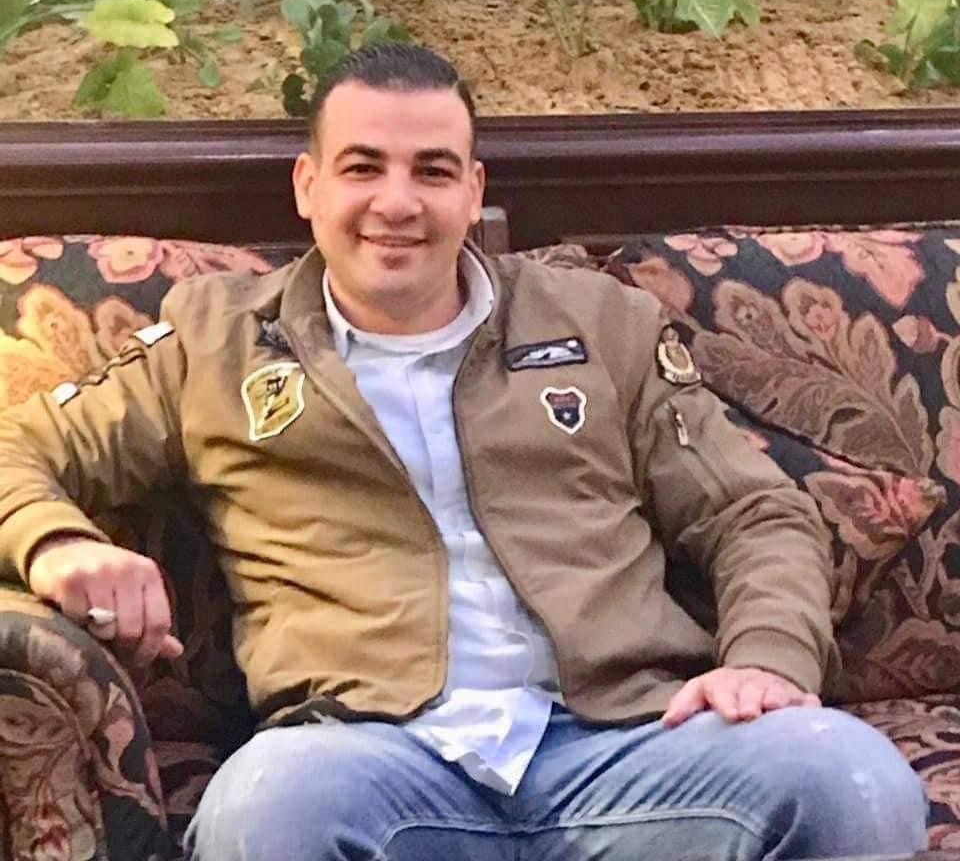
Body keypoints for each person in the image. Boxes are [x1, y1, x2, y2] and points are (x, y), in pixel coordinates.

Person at [0, 43, 927, 861]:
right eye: (363, 167)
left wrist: (767, 658)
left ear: (473, 191)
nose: (397, 203)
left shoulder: (599, 323)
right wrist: (57, 543)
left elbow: (753, 511)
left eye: (433, 171)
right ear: (308, 185)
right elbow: (18, 444)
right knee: (267, 813)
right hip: (365, 757)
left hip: (626, 746)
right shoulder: (217, 341)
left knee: (849, 781)